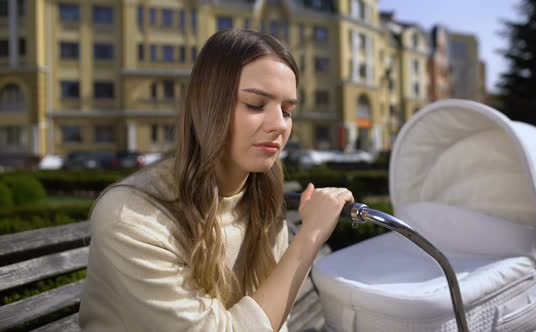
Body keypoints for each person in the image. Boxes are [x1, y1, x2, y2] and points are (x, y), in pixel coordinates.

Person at [79, 29, 353, 332]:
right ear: (208, 106)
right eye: (255, 104)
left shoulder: (262, 202)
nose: (279, 126)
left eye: (287, 111)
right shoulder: (131, 216)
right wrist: (310, 236)